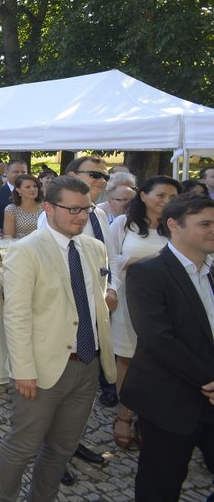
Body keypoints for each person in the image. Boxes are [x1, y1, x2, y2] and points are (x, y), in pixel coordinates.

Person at [0, 176, 116, 502]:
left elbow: (93, 302)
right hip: (41, 369)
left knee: (62, 448)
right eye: (72, 209)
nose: (80, 216)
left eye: (85, 209)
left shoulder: (95, 249)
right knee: (23, 447)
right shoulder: (26, 250)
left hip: (87, 364)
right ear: (49, 208)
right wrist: (23, 370)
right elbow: (16, 316)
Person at [122, 194, 214, 501]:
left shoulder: (212, 270)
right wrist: (209, 380)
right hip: (169, 400)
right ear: (174, 225)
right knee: (161, 483)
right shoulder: (148, 272)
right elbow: (157, 339)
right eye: (205, 223)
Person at [108, 175, 182, 449]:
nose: (166, 202)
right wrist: (135, 261)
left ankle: (149, 416)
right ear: (143, 196)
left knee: (161, 361)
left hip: (167, 305)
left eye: (173, 197)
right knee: (127, 358)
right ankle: (124, 415)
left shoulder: (178, 227)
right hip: (130, 300)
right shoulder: (124, 224)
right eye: (160, 195)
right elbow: (108, 257)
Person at [0, 159, 27, 234]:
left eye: (23, 172)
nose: (20, 174)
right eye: (16, 172)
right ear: (6, 172)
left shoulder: (33, 193)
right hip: (4, 240)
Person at [3, 174, 43, 239]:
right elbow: (8, 238)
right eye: (28, 187)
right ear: (18, 190)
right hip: (20, 247)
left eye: (35, 186)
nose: (33, 189)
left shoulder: (45, 207)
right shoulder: (11, 209)